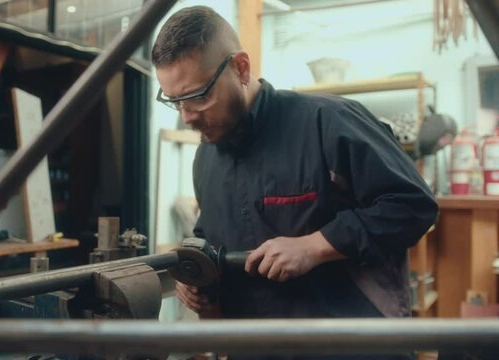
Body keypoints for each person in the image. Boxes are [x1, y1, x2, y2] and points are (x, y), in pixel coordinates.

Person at [152, 5, 438, 360]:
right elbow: (212, 239)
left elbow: (413, 205)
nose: (188, 116)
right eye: (175, 101)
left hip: (352, 349)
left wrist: (314, 246)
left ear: (240, 68)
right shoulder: (206, 157)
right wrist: (197, 277)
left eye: (198, 96)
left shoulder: (327, 122)